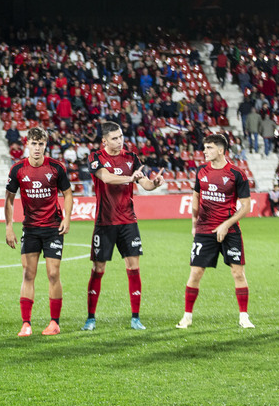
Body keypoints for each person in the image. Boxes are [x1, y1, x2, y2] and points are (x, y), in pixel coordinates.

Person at [85, 121, 163, 331]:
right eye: (114, 138)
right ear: (104, 140)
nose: (119, 141)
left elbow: (144, 183)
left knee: (134, 268)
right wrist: (130, 178)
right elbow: (106, 178)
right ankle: (91, 318)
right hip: (105, 222)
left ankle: (136, 318)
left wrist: (154, 184)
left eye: (121, 137)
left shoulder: (131, 157)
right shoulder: (95, 157)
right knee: (98, 269)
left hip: (128, 221)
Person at [177, 134, 254, 329]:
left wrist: (226, 224)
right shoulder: (201, 171)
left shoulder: (237, 174)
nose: (205, 151)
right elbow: (195, 196)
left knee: (238, 273)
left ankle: (244, 317)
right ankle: (187, 317)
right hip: (204, 230)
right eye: (205, 147)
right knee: (195, 273)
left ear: (221, 150)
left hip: (230, 230)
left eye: (209, 148)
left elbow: (246, 206)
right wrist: (194, 223)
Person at [5, 128, 74, 337]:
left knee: (53, 273)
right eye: (34, 144)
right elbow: (8, 199)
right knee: (28, 274)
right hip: (31, 228)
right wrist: (9, 225)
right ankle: (26, 323)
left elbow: (68, 194)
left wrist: (67, 218)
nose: (37, 148)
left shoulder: (56, 167)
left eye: (41, 144)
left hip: (53, 228)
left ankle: (55, 323)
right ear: (27, 144)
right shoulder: (17, 169)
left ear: (45, 145)